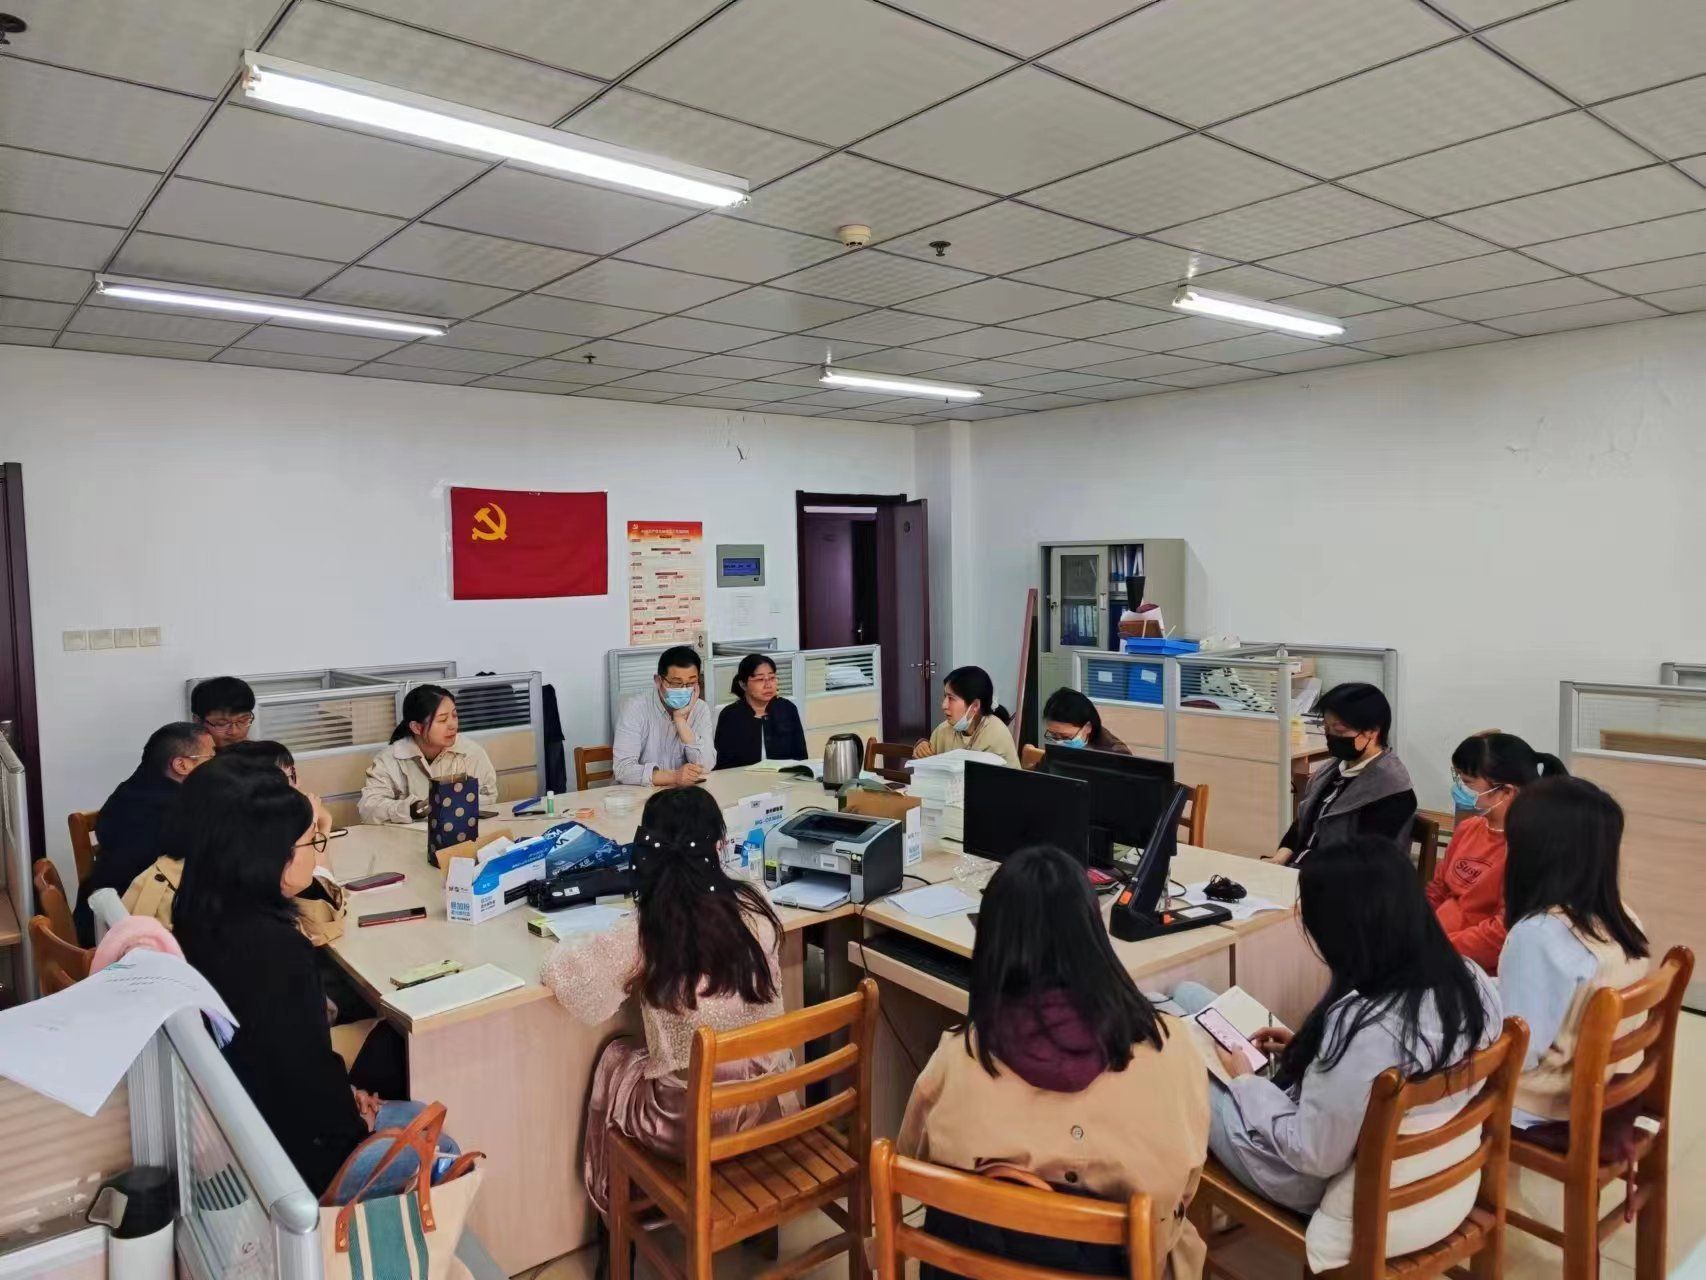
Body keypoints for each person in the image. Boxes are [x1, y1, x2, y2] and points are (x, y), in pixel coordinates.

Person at [899, 845, 1209, 1279]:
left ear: (992, 943)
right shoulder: (1170, 1048)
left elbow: (914, 1162)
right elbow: (1184, 1189)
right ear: (1093, 936)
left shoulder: (960, 1054)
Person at [1174, 838, 1500, 1217]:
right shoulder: (1473, 981)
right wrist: (1311, 1053)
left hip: (1297, 1174)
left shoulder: (1364, 1028)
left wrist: (1245, 1082)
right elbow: (1370, 1075)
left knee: (1171, 1044)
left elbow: (1313, 1154)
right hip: (1393, 1153)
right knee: (1186, 994)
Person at [173, 759, 447, 1198]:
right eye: (311, 842)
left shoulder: (199, 908)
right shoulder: (275, 950)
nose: (317, 853)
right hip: (295, 1160)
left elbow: (288, 1056)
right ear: (272, 857)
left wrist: (346, 1092)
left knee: (384, 1046)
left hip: (248, 1116)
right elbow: (302, 1077)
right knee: (443, 1145)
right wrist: (356, 1122)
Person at [541, 787, 795, 1213]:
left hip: (691, 1124)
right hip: (768, 1103)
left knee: (615, 1057)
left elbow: (569, 979)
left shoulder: (646, 930)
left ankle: (619, 1214)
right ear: (718, 847)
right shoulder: (755, 903)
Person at [1500, 777, 1650, 1131]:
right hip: (1608, 1081)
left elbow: (1518, 1053)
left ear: (1535, 853)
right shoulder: (1624, 916)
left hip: (1543, 1103)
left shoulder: (1538, 935)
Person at [125, 741, 347, 948]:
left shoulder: (212, 849)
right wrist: (312, 831)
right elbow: (318, 928)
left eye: (292, 777)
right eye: (282, 784)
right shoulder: (222, 879)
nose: (296, 790)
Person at [1427, 732, 1567, 973]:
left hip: (1474, 969)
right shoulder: (1469, 828)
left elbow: (1502, 934)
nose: (1461, 789)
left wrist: (1434, 949)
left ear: (1507, 791)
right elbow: (1437, 891)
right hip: (1433, 949)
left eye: (1468, 783)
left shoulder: (1527, 848)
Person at [72, 721, 213, 945]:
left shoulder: (133, 787)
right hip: (124, 931)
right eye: (210, 758)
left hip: (96, 906)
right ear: (181, 765)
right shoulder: (178, 811)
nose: (216, 765)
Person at [1275, 683, 1416, 866]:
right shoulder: (1330, 771)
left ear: (1372, 731)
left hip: (1341, 878)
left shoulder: (1392, 789)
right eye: (1326, 728)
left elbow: (1364, 861)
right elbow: (1302, 826)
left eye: (1339, 730)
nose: (1331, 736)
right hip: (1301, 871)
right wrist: (1278, 860)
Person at [358, 684, 499, 824]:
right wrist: (413, 809)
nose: (453, 725)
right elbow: (368, 808)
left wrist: (458, 801)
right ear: (416, 727)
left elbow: (490, 796)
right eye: (442, 720)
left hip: (461, 833)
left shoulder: (471, 752)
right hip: (406, 836)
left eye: (454, 715)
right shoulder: (389, 759)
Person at [612, 645, 717, 787]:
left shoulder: (700, 709)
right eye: (676, 683)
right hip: (640, 793)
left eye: (691, 683)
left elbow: (706, 765)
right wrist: (674, 777)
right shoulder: (635, 708)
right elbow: (623, 769)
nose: (684, 689)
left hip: (681, 794)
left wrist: (680, 721)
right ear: (658, 681)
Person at [913, 666, 1020, 768]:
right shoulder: (943, 730)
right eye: (945, 696)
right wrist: (921, 747)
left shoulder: (996, 735)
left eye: (951, 698)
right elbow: (927, 768)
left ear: (975, 706)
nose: (944, 705)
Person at [713, 653, 807, 769]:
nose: (768, 685)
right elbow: (723, 765)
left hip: (784, 778)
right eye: (760, 679)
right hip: (742, 778)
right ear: (743, 684)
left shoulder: (787, 709)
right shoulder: (730, 715)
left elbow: (801, 757)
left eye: (772, 678)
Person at [1040, 687, 1130, 754]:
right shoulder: (1056, 748)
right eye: (1053, 735)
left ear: (1088, 727)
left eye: (1065, 736)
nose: (1059, 742)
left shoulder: (1116, 754)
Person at [190, 676, 257, 752]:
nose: (234, 732)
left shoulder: (260, 755)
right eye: (221, 724)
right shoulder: (186, 758)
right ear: (197, 721)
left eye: (242, 721)